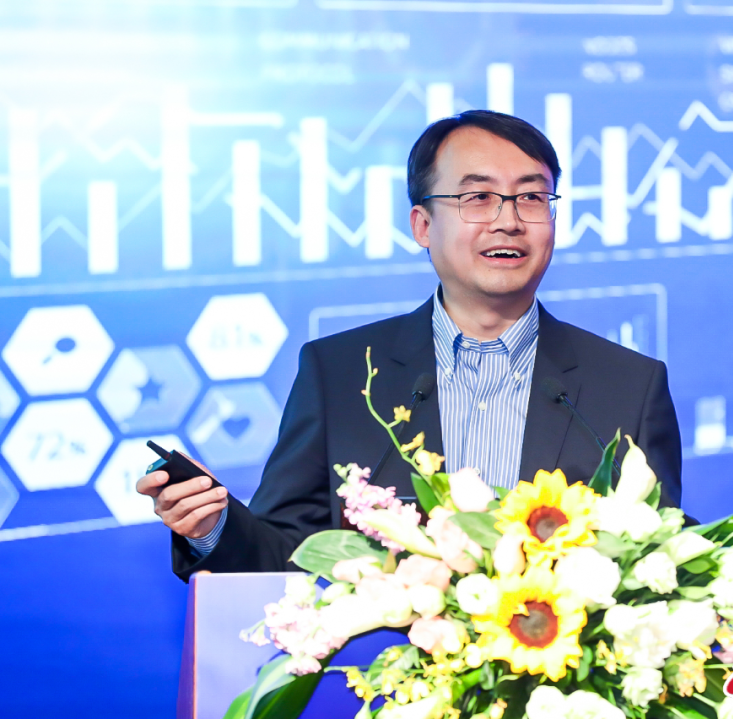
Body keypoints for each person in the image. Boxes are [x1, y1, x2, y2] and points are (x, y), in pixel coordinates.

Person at [136, 110, 683, 581]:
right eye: (479, 197)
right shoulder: (340, 374)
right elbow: (289, 560)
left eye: (532, 197)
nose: (509, 221)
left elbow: (656, 564)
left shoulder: (630, 387)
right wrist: (213, 527)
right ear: (422, 225)